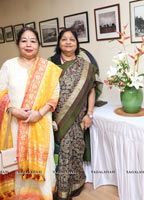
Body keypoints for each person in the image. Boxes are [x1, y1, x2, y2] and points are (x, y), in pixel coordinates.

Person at [0, 27, 62, 199]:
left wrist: (39, 113)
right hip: (14, 124)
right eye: (24, 40)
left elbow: (54, 95)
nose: (28, 44)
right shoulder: (9, 65)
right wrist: (13, 110)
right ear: (18, 44)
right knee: (16, 162)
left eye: (33, 41)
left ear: (38, 44)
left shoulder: (48, 68)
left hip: (41, 124)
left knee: (42, 162)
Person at [49, 28, 101, 200]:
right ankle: (61, 190)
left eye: (72, 39)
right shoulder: (50, 65)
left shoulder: (86, 67)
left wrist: (90, 114)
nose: (68, 42)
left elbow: (91, 92)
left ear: (77, 43)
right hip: (55, 118)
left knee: (76, 151)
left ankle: (77, 183)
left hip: (78, 118)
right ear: (59, 43)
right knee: (60, 153)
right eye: (64, 39)